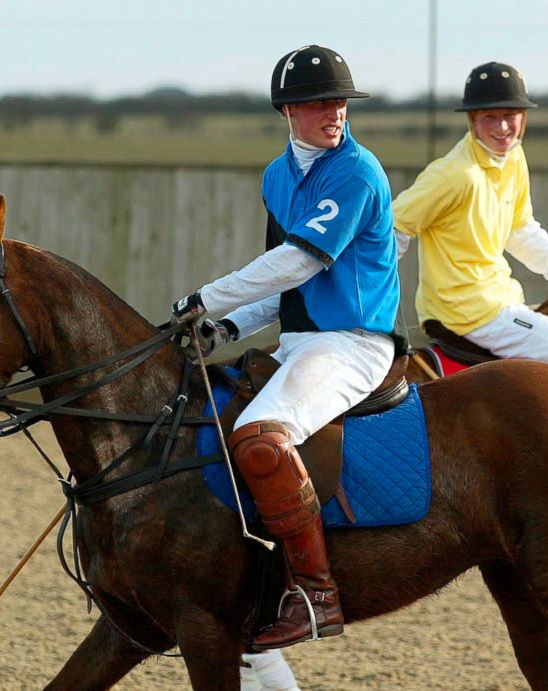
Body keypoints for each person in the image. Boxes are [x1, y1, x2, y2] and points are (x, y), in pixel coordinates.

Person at [171, 45, 403, 651]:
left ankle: (316, 595)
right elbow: (286, 282)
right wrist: (227, 328)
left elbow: (301, 259)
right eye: (319, 102)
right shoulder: (277, 177)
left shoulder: (357, 171)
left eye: (341, 101)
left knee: (259, 439)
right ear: (288, 110)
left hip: (354, 343)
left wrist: (208, 298)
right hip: (300, 340)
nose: (335, 112)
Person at [392, 61, 548, 386]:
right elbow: (393, 229)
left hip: (502, 301)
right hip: (470, 314)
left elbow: (522, 232)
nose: (503, 126)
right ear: (472, 119)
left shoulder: (514, 158)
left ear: (524, 118)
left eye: (510, 115)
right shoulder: (452, 175)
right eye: (490, 116)